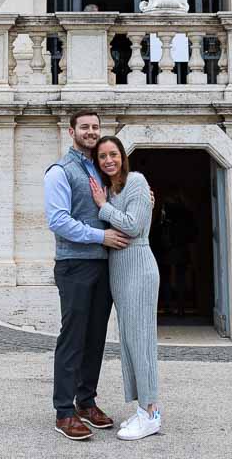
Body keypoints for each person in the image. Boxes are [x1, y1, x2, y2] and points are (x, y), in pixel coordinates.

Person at [44, 111, 130, 441]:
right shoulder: (59, 171)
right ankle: (64, 412)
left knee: (95, 337)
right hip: (74, 264)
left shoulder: (100, 167)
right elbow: (58, 220)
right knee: (73, 337)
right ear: (72, 132)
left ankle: (86, 402)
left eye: (95, 127)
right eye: (85, 127)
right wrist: (100, 237)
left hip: (102, 264)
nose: (91, 132)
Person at [90, 135, 162, 440]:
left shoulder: (136, 181)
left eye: (113, 154)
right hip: (119, 271)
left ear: (123, 156)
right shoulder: (111, 188)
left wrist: (103, 208)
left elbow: (132, 226)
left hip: (139, 267)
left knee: (142, 341)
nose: (108, 160)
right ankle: (143, 408)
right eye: (103, 156)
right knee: (131, 341)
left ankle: (151, 412)